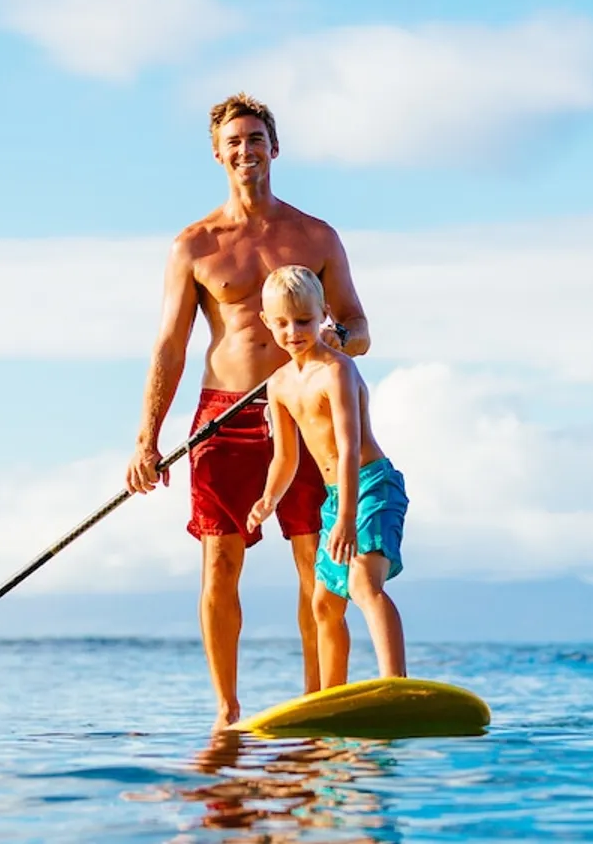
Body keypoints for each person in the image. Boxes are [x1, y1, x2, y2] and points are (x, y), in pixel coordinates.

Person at [125, 94, 370, 731]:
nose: (245, 150)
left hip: (304, 407)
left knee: (316, 561)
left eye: (256, 138)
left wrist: (336, 339)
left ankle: (318, 702)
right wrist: (147, 439)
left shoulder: (316, 236)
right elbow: (170, 346)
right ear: (217, 154)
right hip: (223, 415)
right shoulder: (194, 245)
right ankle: (227, 711)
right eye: (233, 142)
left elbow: (359, 326)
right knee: (220, 563)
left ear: (274, 148)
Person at [248, 265, 407, 689]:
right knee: (323, 603)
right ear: (266, 322)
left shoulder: (337, 370)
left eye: (304, 320)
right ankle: (332, 696)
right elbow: (286, 457)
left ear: (324, 315)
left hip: (371, 486)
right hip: (337, 497)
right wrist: (268, 499)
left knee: (363, 584)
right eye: (282, 323)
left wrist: (347, 519)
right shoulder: (279, 384)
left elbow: (349, 447)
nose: (293, 332)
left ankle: (395, 684)